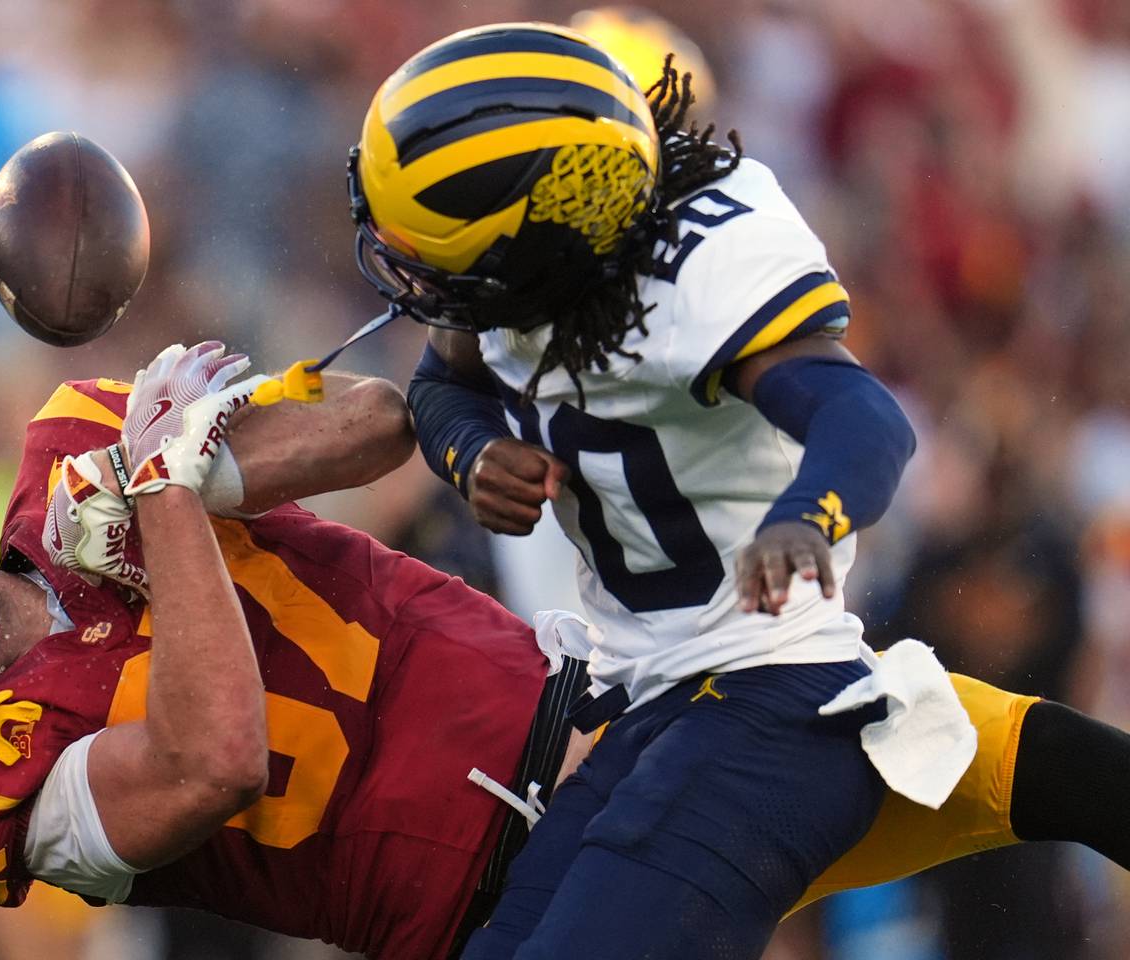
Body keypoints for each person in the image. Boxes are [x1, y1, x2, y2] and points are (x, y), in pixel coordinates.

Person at [0, 338, 1130, 960]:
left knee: (989, 750)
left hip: (620, 725)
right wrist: (163, 513)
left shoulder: (66, 449)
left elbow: (386, 423)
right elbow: (207, 760)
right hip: (503, 910)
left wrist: (203, 471)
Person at [344, 19, 1121, 959]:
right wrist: (470, 452)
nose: (418, 281)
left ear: (541, 251)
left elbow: (864, 419)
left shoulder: (699, 276)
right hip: (651, 703)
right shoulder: (545, 268)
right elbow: (443, 383)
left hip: (770, 697)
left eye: (440, 259)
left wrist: (802, 521)